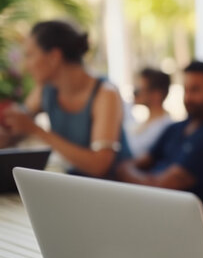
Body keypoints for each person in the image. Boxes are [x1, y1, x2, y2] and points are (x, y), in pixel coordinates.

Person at [0, 20, 131, 177]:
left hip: (117, 188)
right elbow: (18, 129)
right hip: (75, 183)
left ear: (54, 57)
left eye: (30, 55)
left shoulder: (105, 93)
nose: (26, 66)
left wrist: (37, 131)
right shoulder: (45, 90)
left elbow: (99, 165)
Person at [116, 61, 203, 225]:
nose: (188, 97)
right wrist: (132, 172)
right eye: (186, 89)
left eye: (195, 90)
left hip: (178, 221)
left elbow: (161, 186)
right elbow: (142, 162)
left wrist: (125, 171)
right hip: (152, 207)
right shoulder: (177, 127)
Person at [126, 67, 173, 158]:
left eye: (140, 89)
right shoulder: (141, 123)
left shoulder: (166, 127)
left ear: (157, 94)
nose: (134, 93)